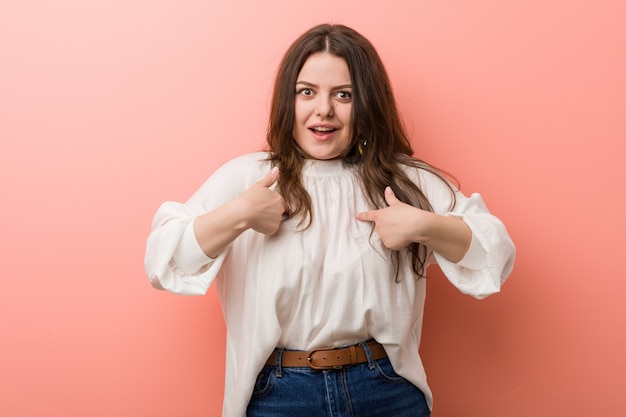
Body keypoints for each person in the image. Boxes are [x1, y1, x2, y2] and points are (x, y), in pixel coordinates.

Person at [144, 23, 515, 417]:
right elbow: (164, 261)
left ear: (367, 103)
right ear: (289, 101)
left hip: (385, 390)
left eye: (344, 95)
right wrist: (239, 214)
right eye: (307, 92)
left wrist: (426, 226)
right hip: (279, 395)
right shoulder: (247, 178)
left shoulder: (405, 181)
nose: (324, 109)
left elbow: (496, 254)